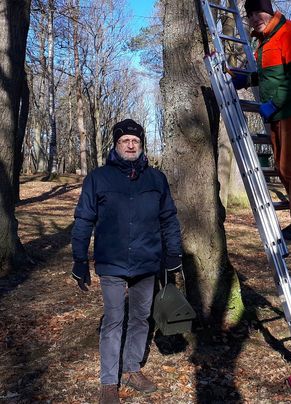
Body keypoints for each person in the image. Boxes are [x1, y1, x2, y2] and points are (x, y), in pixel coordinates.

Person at [71, 119, 183, 404]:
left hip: (147, 262)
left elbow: (168, 218)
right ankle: (109, 382)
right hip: (112, 261)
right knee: (113, 319)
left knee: (141, 318)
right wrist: (79, 259)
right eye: (125, 141)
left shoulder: (156, 179)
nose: (130, 145)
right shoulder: (98, 178)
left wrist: (173, 254)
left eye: (135, 141)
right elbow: (84, 219)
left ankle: (132, 368)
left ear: (141, 145)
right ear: (116, 145)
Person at [232, 0, 291, 241]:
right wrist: (246, 79)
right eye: (249, 15)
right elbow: (269, 76)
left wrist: (274, 103)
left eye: (258, 13)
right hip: (278, 114)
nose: (254, 19)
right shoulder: (264, 42)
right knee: (283, 167)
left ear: (269, 12)